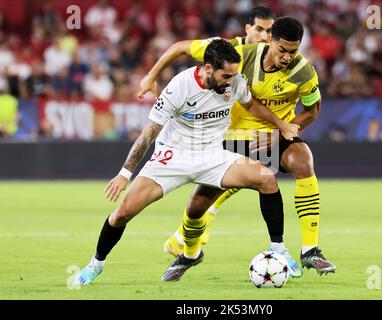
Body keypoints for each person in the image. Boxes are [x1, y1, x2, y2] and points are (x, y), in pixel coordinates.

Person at [72, 39, 300, 285]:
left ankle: (277, 248)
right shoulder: (180, 86)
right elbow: (149, 132)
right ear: (208, 68)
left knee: (266, 178)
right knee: (121, 214)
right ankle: (96, 264)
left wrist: (280, 124)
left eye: (234, 75)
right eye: (226, 75)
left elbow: (251, 104)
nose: (230, 81)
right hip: (172, 157)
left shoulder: (235, 82)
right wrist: (124, 174)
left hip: (212, 155)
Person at [139, 16, 337, 275]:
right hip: (231, 139)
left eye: (294, 51)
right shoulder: (238, 54)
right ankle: (188, 252)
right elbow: (181, 47)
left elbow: (312, 111)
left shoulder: (304, 72)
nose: (288, 57)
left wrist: (281, 133)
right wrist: (151, 76)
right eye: (282, 50)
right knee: (198, 204)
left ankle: (310, 250)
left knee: (303, 159)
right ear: (269, 40)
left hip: (272, 137)